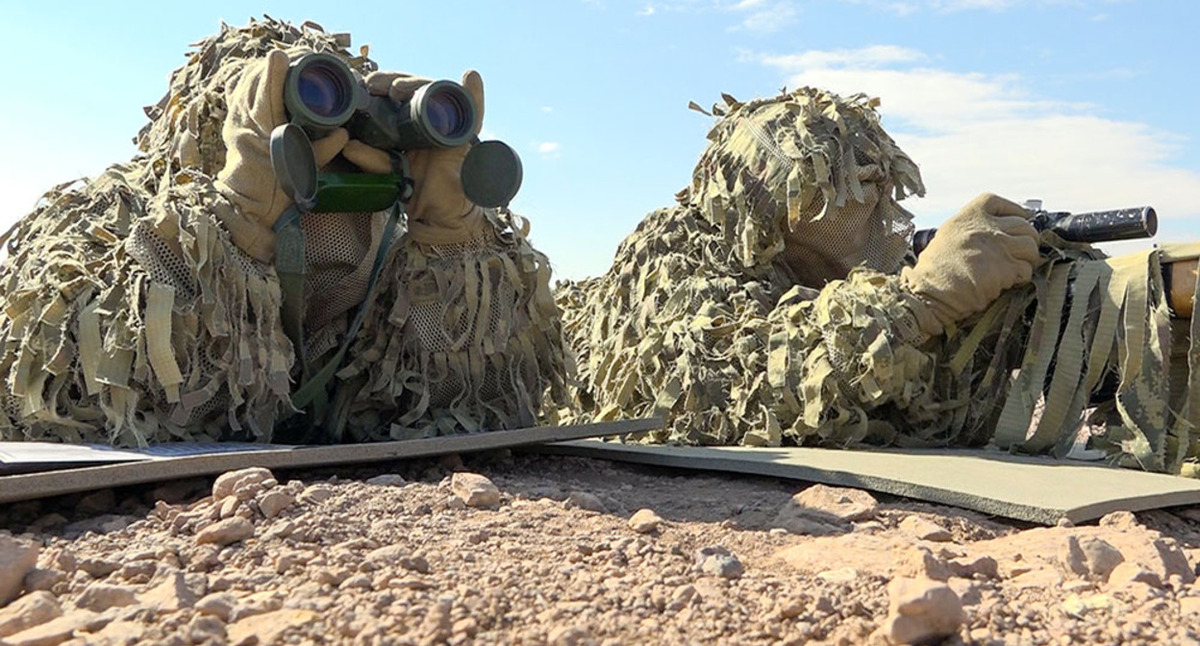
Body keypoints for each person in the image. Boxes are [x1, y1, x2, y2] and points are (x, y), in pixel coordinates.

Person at [556, 88, 1200, 474]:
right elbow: (734, 390)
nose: (866, 210)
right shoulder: (673, 250)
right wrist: (924, 297)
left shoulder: (845, 274)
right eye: (841, 186)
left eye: (876, 183)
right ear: (765, 198)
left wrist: (1143, 290)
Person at [0, 18, 566, 446]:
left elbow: (483, 412)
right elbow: (73, 404)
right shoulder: (112, 217)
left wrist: (452, 240)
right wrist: (234, 231)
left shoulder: (401, 245)